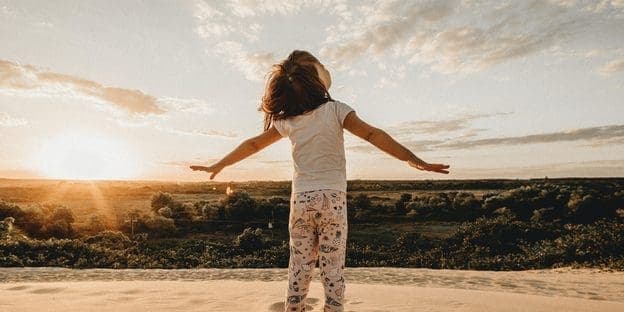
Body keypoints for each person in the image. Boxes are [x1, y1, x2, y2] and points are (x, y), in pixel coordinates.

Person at [190, 50, 450, 312]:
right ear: (316, 79)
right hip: (333, 202)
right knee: (333, 268)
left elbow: (254, 143)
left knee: (299, 266)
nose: (327, 69)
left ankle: (294, 308)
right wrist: (411, 158)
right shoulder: (336, 110)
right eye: (322, 66)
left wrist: (221, 163)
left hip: (301, 202)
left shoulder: (287, 121)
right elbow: (373, 134)